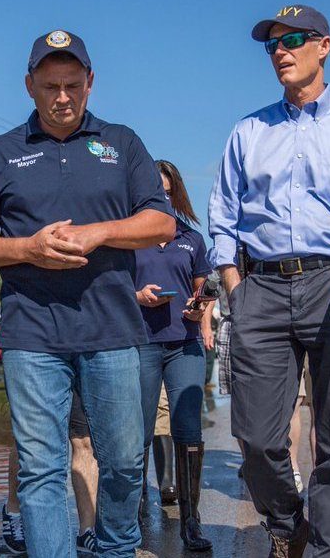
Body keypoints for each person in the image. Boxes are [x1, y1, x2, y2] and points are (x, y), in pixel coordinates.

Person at [0, 29, 174, 558]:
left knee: (122, 459)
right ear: (29, 85)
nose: (62, 97)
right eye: (50, 85)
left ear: (91, 82)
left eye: (73, 85)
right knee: (41, 467)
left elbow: (160, 221)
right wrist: (26, 247)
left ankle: (115, 547)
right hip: (31, 335)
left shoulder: (122, 144)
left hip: (113, 330)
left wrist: (100, 232)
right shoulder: (1, 153)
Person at [207, 4, 330, 557]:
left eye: (293, 40)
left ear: (324, 46)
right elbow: (224, 214)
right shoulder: (249, 130)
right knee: (256, 437)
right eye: (272, 45)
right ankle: (288, 526)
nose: (281, 51)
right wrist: (236, 286)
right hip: (259, 287)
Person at [134, 160, 214, 551]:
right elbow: (112, 289)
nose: (162, 196)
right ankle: (131, 517)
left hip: (185, 344)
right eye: (156, 189)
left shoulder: (192, 238)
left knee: (188, 428)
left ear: (176, 192)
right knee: (139, 430)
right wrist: (137, 296)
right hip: (141, 344)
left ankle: (191, 521)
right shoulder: (129, 237)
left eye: (168, 190)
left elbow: (204, 290)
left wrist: (202, 309)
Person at [3, 395, 101, 555]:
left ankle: (87, 530)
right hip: (37, 372)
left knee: (85, 440)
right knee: (30, 437)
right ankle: (13, 511)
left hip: (80, 371)